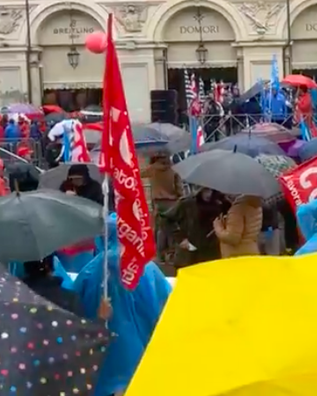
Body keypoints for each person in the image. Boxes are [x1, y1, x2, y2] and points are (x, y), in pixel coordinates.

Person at [73, 214, 171, 396]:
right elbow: (168, 309)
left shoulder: (91, 271)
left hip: (103, 364)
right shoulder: (149, 269)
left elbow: (73, 313)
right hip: (145, 362)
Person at [163, 187, 230, 267]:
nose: (208, 194)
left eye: (210, 190)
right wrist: (180, 239)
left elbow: (231, 219)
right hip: (190, 253)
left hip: (212, 253)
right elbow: (167, 219)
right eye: (205, 190)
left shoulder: (222, 203)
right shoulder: (187, 203)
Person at [141, 155, 183, 260]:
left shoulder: (152, 169)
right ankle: (172, 251)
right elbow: (179, 189)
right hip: (173, 202)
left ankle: (160, 253)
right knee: (173, 228)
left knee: (160, 228)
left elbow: (139, 174)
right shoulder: (174, 169)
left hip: (158, 203)